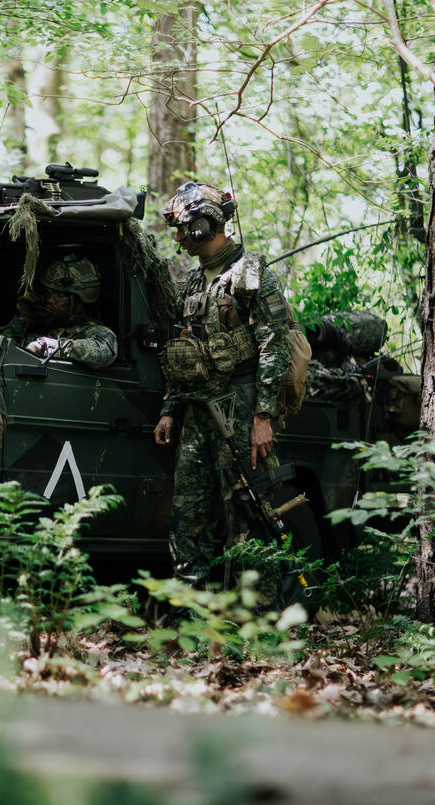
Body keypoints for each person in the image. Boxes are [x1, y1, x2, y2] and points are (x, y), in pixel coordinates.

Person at [152, 182, 292, 586]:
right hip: (196, 412)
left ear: (202, 225)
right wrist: (169, 409)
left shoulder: (250, 273)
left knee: (248, 512)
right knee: (188, 515)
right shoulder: (193, 284)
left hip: (241, 407)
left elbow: (274, 343)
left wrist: (263, 415)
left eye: (183, 229)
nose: (179, 239)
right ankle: (190, 608)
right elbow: (183, 353)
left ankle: (257, 615)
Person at [0, 255, 117, 369]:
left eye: (57, 294)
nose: (48, 299)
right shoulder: (39, 325)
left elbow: (104, 350)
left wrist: (46, 345)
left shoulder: (93, 331)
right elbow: (0, 351)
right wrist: (23, 318)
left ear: (77, 301)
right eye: (47, 292)